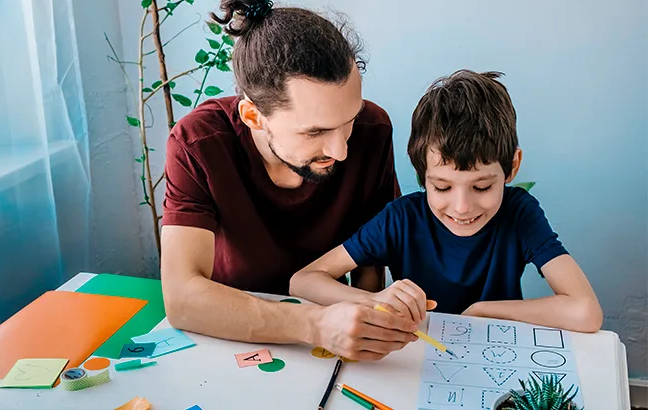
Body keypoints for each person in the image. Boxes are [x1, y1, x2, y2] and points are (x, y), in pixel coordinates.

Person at [160, 0, 422, 361]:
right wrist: (314, 324)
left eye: (350, 119)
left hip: (333, 340)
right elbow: (182, 298)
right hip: (230, 333)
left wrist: (371, 322)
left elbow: (370, 259)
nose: (341, 149)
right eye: (315, 131)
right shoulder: (198, 144)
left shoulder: (372, 131)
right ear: (253, 115)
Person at [290, 70, 603, 332]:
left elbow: (586, 311)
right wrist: (377, 301)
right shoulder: (401, 219)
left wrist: (484, 311)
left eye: (481, 187)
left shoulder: (519, 214)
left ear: (512, 167)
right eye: (441, 187)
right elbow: (303, 281)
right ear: (422, 174)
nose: (462, 207)